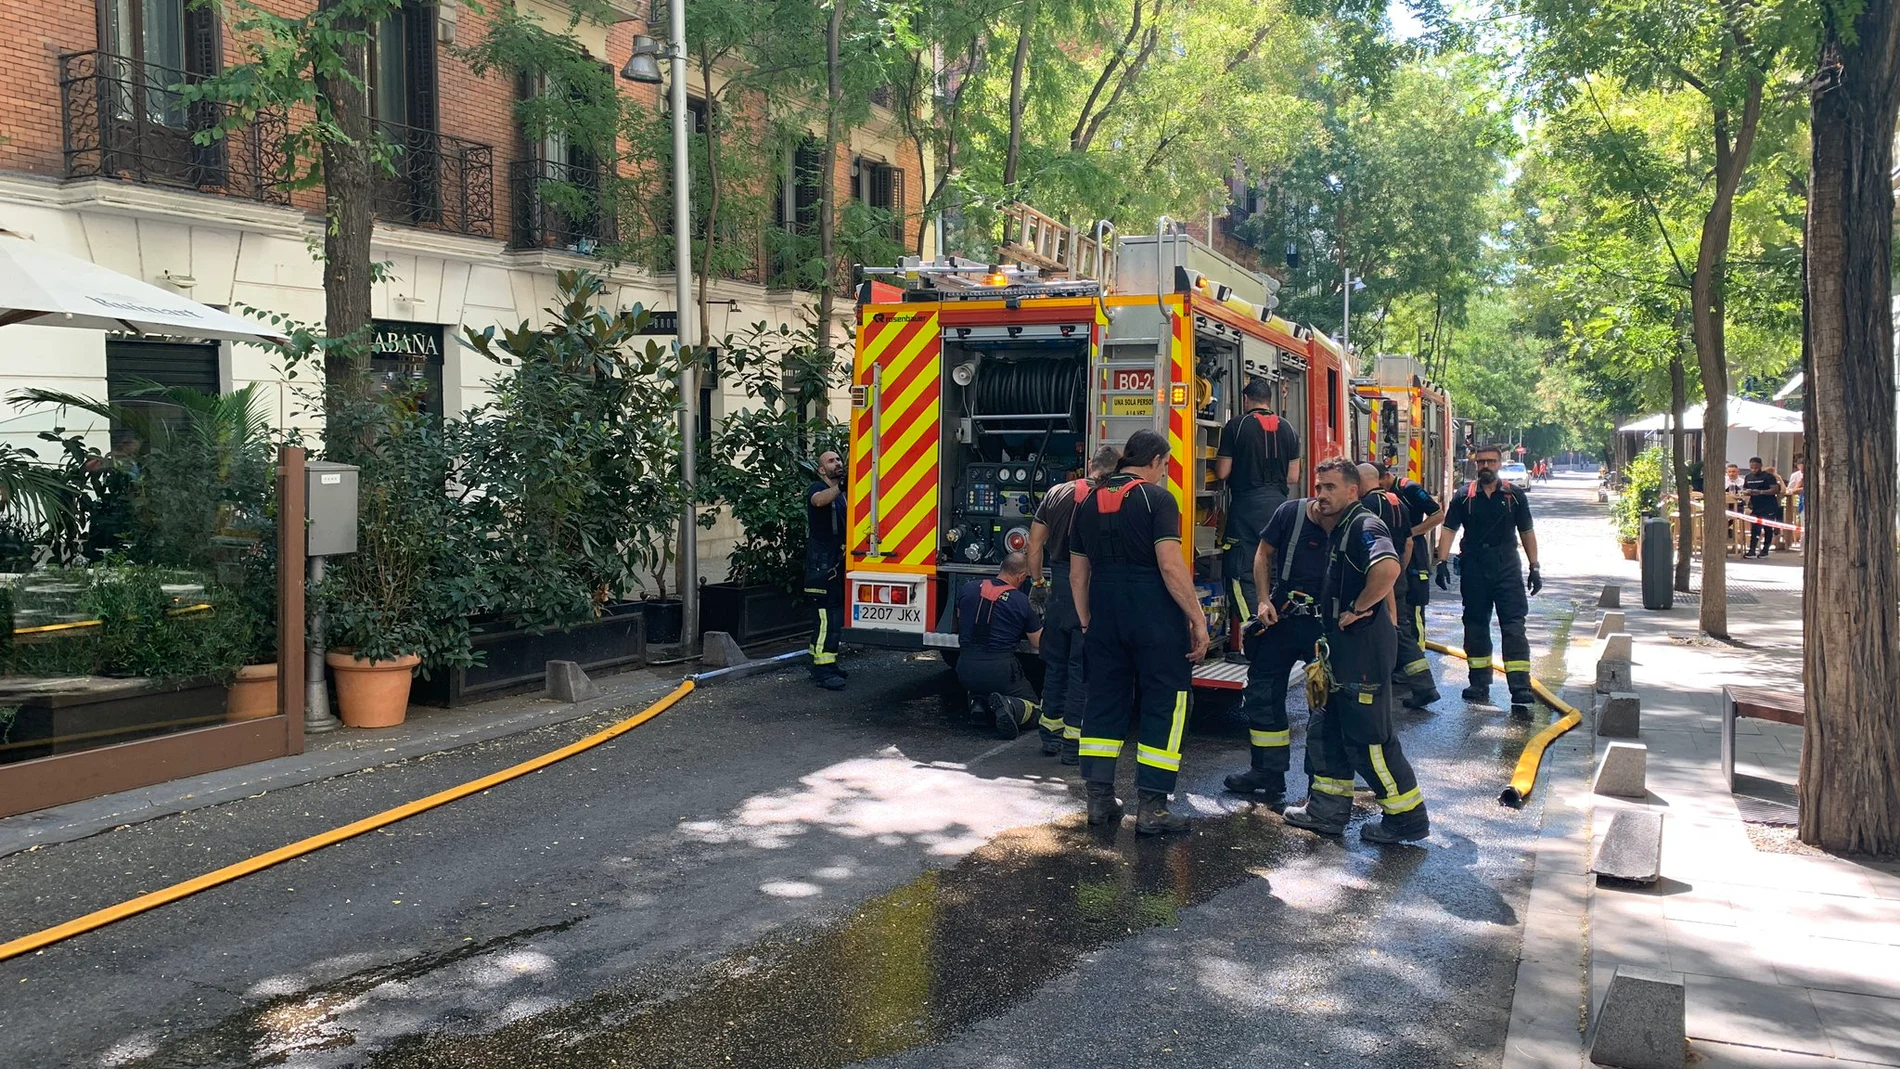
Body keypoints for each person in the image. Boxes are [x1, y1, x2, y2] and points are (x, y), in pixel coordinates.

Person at [1282, 457, 1431, 844]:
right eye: (1318, 487)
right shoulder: (1342, 527)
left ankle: (1406, 818)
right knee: (1327, 729)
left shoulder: (1364, 524)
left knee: (1369, 739)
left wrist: (1360, 608)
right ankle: (1326, 812)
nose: (1321, 495)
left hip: (1362, 647)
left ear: (1353, 490)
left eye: (1330, 487)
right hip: (1343, 648)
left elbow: (1388, 569)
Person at [1072, 430, 1211, 836]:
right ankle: (1153, 808)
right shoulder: (1158, 499)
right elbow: (1170, 566)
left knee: (1103, 701)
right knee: (1165, 703)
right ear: (1155, 460)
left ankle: (1099, 801)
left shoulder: (1087, 501)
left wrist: (1086, 620)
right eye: (1166, 465)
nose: (1165, 473)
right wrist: (1198, 620)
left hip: (1104, 612)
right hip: (1153, 614)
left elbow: (1079, 574)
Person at [1222, 489, 1332, 805]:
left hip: (1322, 626)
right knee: (1261, 695)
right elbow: (1262, 553)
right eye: (1320, 490)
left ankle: (1322, 785)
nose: (1323, 500)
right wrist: (1262, 599)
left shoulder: (1353, 521)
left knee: (1323, 705)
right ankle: (1266, 771)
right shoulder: (1289, 513)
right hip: (1282, 616)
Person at [1026, 445, 1121, 762]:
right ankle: (1072, 744)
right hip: (1092, 588)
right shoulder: (1112, 499)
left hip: (1059, 590)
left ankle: (1049, 737)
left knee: (1055, 667)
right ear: (1115, 470)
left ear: (1090, 464)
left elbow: (1034, 544)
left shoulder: (1056, 493)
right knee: (1083, 671)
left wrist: (1038, 583)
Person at [1434, 444, 1541, 712]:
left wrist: (1535, 566)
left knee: (1513, 626)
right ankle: (1479, 683)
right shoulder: (1464, 496)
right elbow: (1448, 529)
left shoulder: (1514, 496)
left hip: (1507, 566)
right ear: (1475, 464)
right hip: (1474, 567)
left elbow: (1527, 532)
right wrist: (1441, 561)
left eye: (1490, 462)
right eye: (1481, 461)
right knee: (1475, 625)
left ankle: (1520, 686)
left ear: (1499, 464)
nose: (1485, 466)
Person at [1216, 378, 1303, 648]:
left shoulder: (1237, 426)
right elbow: (1293, 476)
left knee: (1241, 572)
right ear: (1269, 399)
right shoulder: (1289, 429)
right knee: (1273, 571)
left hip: (1247, 508)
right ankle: (1276, 629)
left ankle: (1252, 636)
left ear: (1246, 400)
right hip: (1279, 507)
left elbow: (1223, 472)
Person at [1356, 463, 1432, 709]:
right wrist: (1398, 568)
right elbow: (1408, 542)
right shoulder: (1397, 501)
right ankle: (1422, 685)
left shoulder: (1366, 506)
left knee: (1387, 628)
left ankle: (1419, 686)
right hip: (1398, 572)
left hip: (1379, 575)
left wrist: (1383, 574)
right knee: (1401, 629)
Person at [955, 552, 1045, 739]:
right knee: (1036, 710)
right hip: (1000, 670)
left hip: (965, 667)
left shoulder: (967, 589)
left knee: (979, 683)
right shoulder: (1021, 601)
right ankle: (1010, 705)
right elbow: (1038, 643)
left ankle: (979, 704)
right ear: (1021, 577)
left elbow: (960, 618)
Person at [1378, 462, 1445, 707]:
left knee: (1413, 614)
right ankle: (1408, 670)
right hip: (1402, 555)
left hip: (1414, 557)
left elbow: (1438, 514)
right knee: (1402, 616)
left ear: (1386, 477)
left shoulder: (1409, 488)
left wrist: (1413, 532)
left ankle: (1417, 672)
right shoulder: (1385, 496)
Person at [805, 450, 848, 691]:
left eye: (838, 459)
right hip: (821, 565)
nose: (837, 463)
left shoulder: (840, 494)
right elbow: (819, 500)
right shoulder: (816, 489)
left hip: (834, 562)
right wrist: (841, 487)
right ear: (822, 470)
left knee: (831, 617)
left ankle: (819, 663)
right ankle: (823, 670)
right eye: (831, 461)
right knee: (826, 619)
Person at [1741, 457, 1785, 559]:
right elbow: (1745, 488)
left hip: (1768, 505)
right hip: (1756, 506)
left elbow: (1774, 490)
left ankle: (1765, 550)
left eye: (1756, 467)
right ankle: (1752, 550)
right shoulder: (1748, 477)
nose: (1754, 470)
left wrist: (1760, 492)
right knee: (1755, 529)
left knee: (1767, 527)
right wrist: (1747, 492)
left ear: (1760, 466)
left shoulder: (1768, 476)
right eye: (1752, 467)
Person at [1786, 458, 1806, 549]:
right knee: (1803, 526)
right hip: (1803, 502)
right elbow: (1792, 489)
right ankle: (1803, 548)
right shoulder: (1797, 477)